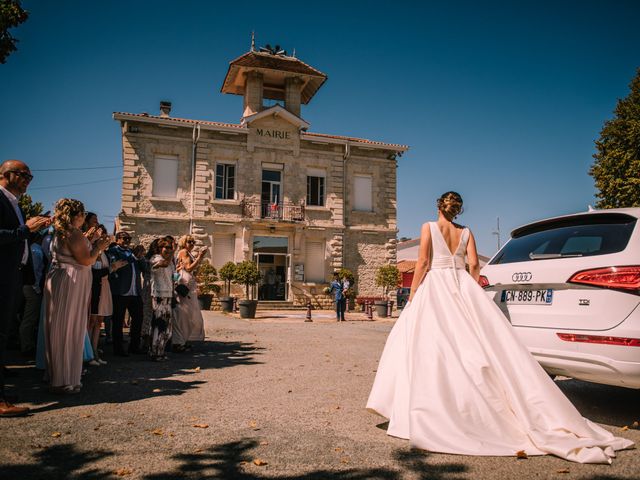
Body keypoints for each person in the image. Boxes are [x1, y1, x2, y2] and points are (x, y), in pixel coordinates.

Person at [366, 191, 634, 464]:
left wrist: (412, 295)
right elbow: (473, 265)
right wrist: (466, 286)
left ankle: (425, 405)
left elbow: (423, 262)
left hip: (435, 286)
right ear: (457, 209)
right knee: (475, 344)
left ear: (439, 206)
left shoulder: (429, 228)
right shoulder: (466, 232)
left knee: (430, 345)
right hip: (461, 286)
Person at [0, 160, 51, 416]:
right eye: (23, 175)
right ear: (6, 174)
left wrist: (31, 229)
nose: (28, 180)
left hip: (14, 276)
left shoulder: (15, 204)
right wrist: (24, 229)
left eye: (30, 176)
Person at [44, 198, 110, 394]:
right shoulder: (73, 233)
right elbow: (86, 259)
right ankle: (65, 379)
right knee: (70, 326)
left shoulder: (61, 232)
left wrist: (89, 241)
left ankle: (57, 375)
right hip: (71, 281)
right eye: (83, 214)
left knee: (58, 325)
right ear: (78, 215)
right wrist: (100, 247)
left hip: (60, 278)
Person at [107, 232, 146, 356]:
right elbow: (117, 266)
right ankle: (118, 349)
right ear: (118, 239)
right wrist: (133, 257)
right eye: (125, 239)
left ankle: (134, 346)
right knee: (118, 321)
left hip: (135, 291)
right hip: (120, 290)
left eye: (129, 239)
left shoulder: (131, 252)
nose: (127, 241)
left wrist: (140, 258)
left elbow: (143, 268)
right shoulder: (113, 251)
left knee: (138, 318)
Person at [173, 235, 205, 352]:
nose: (192, 243)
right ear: (184, 242)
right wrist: (200, 257)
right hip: (184, 284)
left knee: (188, 314)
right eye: (189, 241)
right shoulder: (184, 252)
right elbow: (188, 268)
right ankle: (178, 342)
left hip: (189, 283)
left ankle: (182, 340)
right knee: (184, 313)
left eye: (193, 242)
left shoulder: (188, 253)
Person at [148, 237, 176, 361]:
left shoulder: (170, 261)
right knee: (159, 324)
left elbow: (173, 276)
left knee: (167, 326)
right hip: (158, 295)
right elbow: (163, 264)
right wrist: (173, 252)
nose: (169, 250)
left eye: (171, 247)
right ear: (160, 248)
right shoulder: (155, 258)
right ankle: (155, 352)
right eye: (167, 248)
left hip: (168, 295)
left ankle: (161, 350)